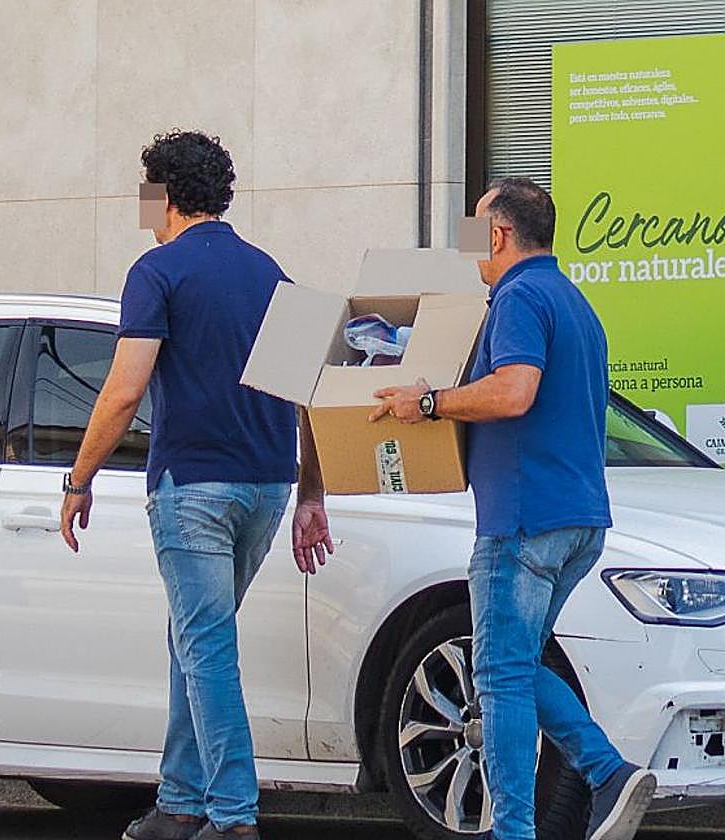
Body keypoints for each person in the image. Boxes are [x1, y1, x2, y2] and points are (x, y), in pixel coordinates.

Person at [58, 130, 334, 840]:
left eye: (147, 192)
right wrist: (312, 493)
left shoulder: (157, 271)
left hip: (194, 490)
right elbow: (307, 392)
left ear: (164, 195)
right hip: (269, 486)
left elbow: (124, 391)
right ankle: (179, 802)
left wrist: (79, 476)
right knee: (195, 635)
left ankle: (234, 816)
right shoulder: (274, 273)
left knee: (205, 644)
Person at [371, 178, 656, 840]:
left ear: (497, 234)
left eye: (476, 229)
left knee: (497, 675)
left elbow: (515, 390)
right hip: (578, 517)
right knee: (516, 662)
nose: (473, 243)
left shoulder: (520, 296)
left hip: (523, 520)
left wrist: (432, 403)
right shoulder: (573, 301)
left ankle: (517, 829)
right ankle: (608, 772)